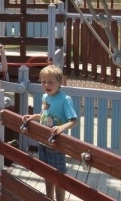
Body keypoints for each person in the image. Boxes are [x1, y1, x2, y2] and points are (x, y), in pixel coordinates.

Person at [22, 65, 78, 201]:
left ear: (59, 82)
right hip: (43, 141)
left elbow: (74, 120)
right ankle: (49, 197)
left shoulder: (65, 99)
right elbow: (44, 115)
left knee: (59, 175)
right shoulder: (45, 97)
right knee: (46, 172)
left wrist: (62, 127)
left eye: (50, 82)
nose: (46, 85)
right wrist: (34, 117)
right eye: (43, 82)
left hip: (56, 143)